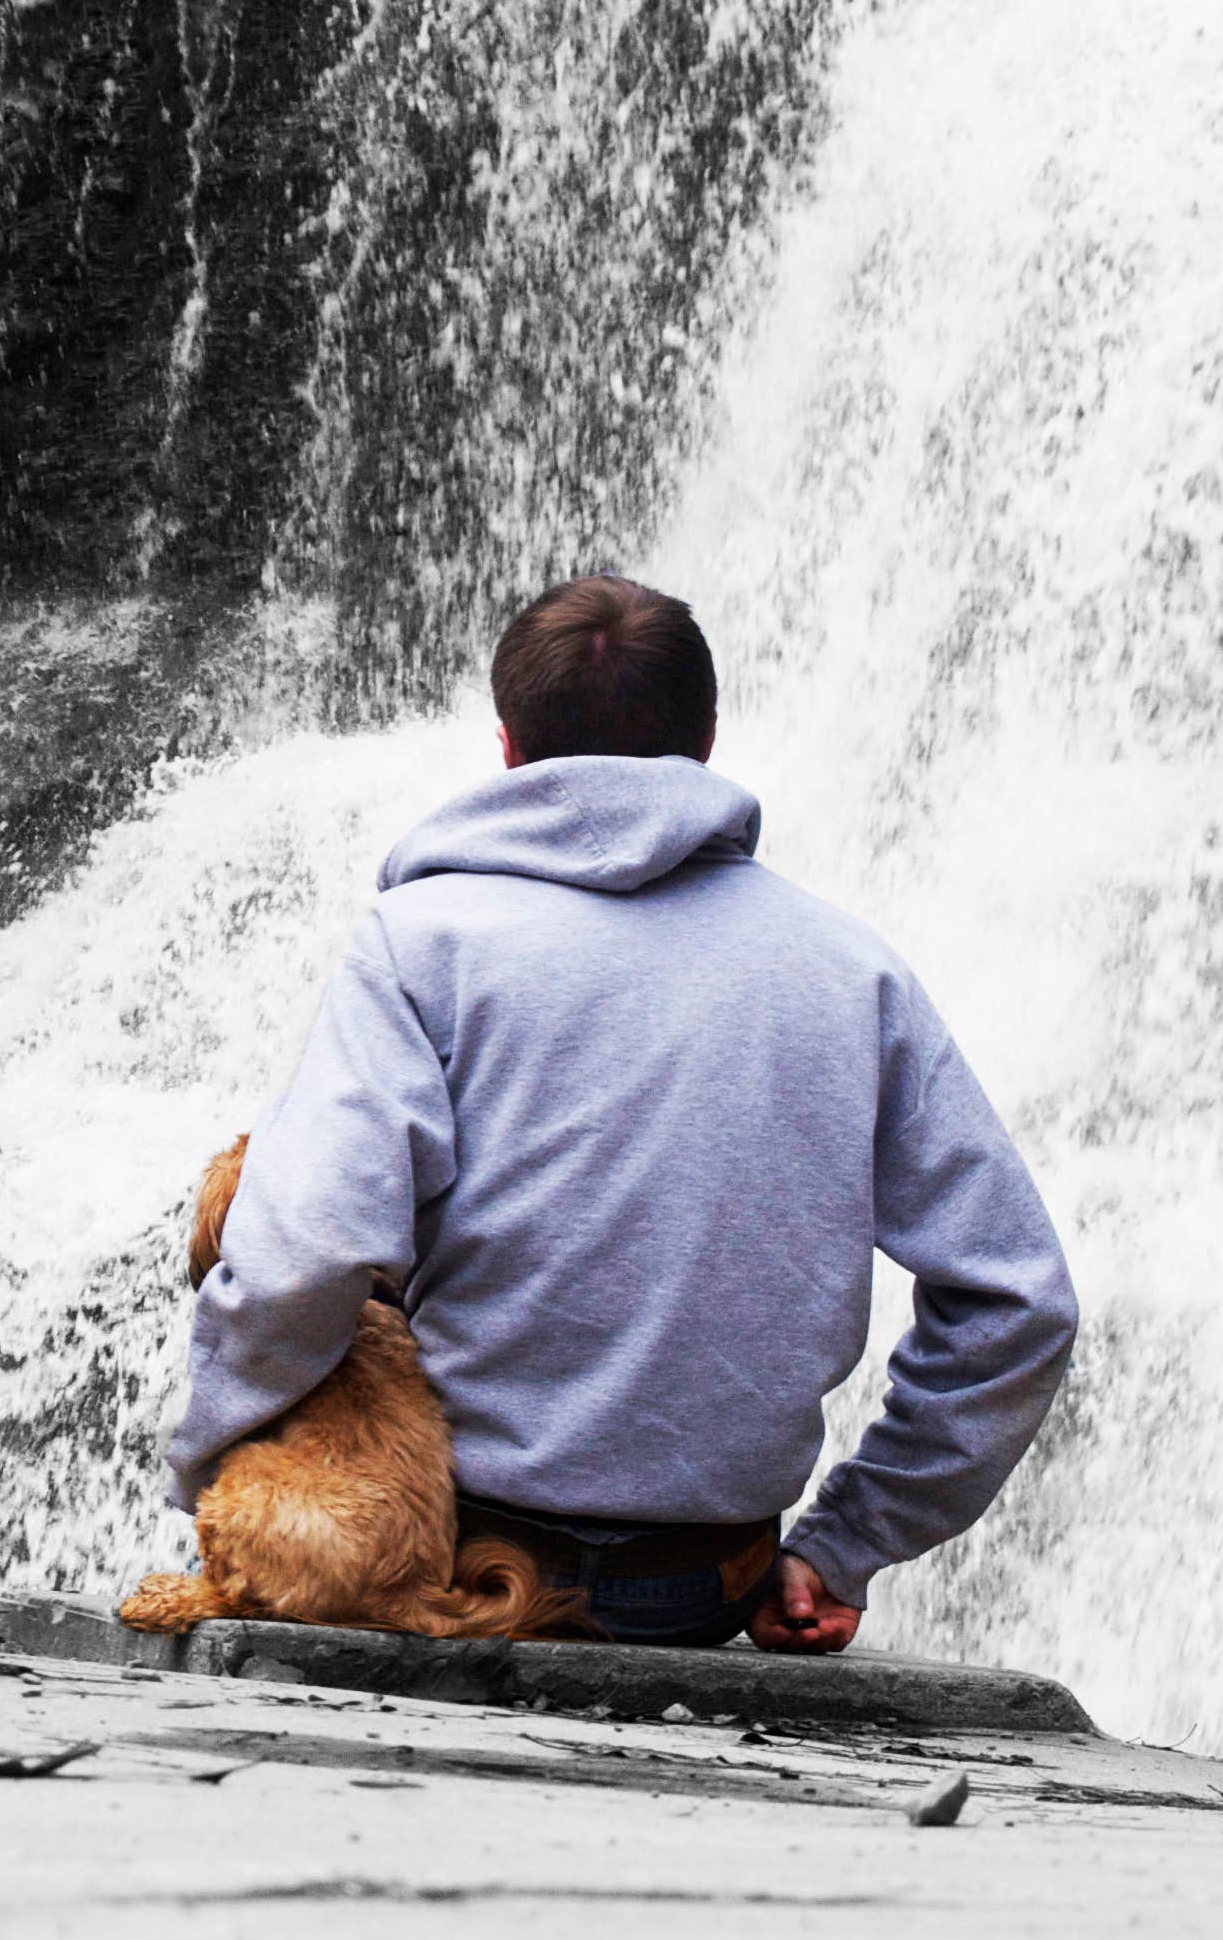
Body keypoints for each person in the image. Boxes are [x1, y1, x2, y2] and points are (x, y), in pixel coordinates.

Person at [166, 576, 1079, 1650]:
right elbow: (1021, 1300)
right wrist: (847, 1539)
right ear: (707, 741)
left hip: (442, 1558)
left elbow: (308, 1248)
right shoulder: (853, 971)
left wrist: (209, 1470)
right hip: (703, 1585)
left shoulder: (422, 941)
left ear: (508, 748)